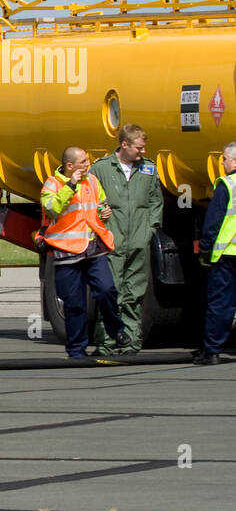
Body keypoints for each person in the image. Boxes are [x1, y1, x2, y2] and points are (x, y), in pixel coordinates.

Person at [38, 146, 132, 358]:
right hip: (66, 252)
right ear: (70, 166)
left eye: (88, 161)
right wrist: (70, 185)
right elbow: (52, 208)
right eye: (83, 162)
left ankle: (116, 329)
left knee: (107, 289)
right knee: (75, 304)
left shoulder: (92, 180)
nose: (88, 165)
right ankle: (77, 351)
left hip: (92, 248)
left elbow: (100, 205)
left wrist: (104, 212)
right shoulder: (52, 184)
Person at [89, 125, 162, 354]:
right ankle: (107, 342)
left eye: (143, 148)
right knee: (111, 294)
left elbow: (155, 203)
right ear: (124, 145)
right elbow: (87, 199)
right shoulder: (101, 169)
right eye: (138, 147)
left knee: (134, 294)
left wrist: (148, 231)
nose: (142, 151)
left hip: (138, 242)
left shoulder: (149, 169)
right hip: (111, 241)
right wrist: (100, 217)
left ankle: (130, 342)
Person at [195, 142, 236, 365]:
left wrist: (205, 248)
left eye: (225, 159)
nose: (222, 162)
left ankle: (212, 351)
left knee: (221, 303)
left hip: (227, 255)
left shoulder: (227, 185)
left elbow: (213, 222)